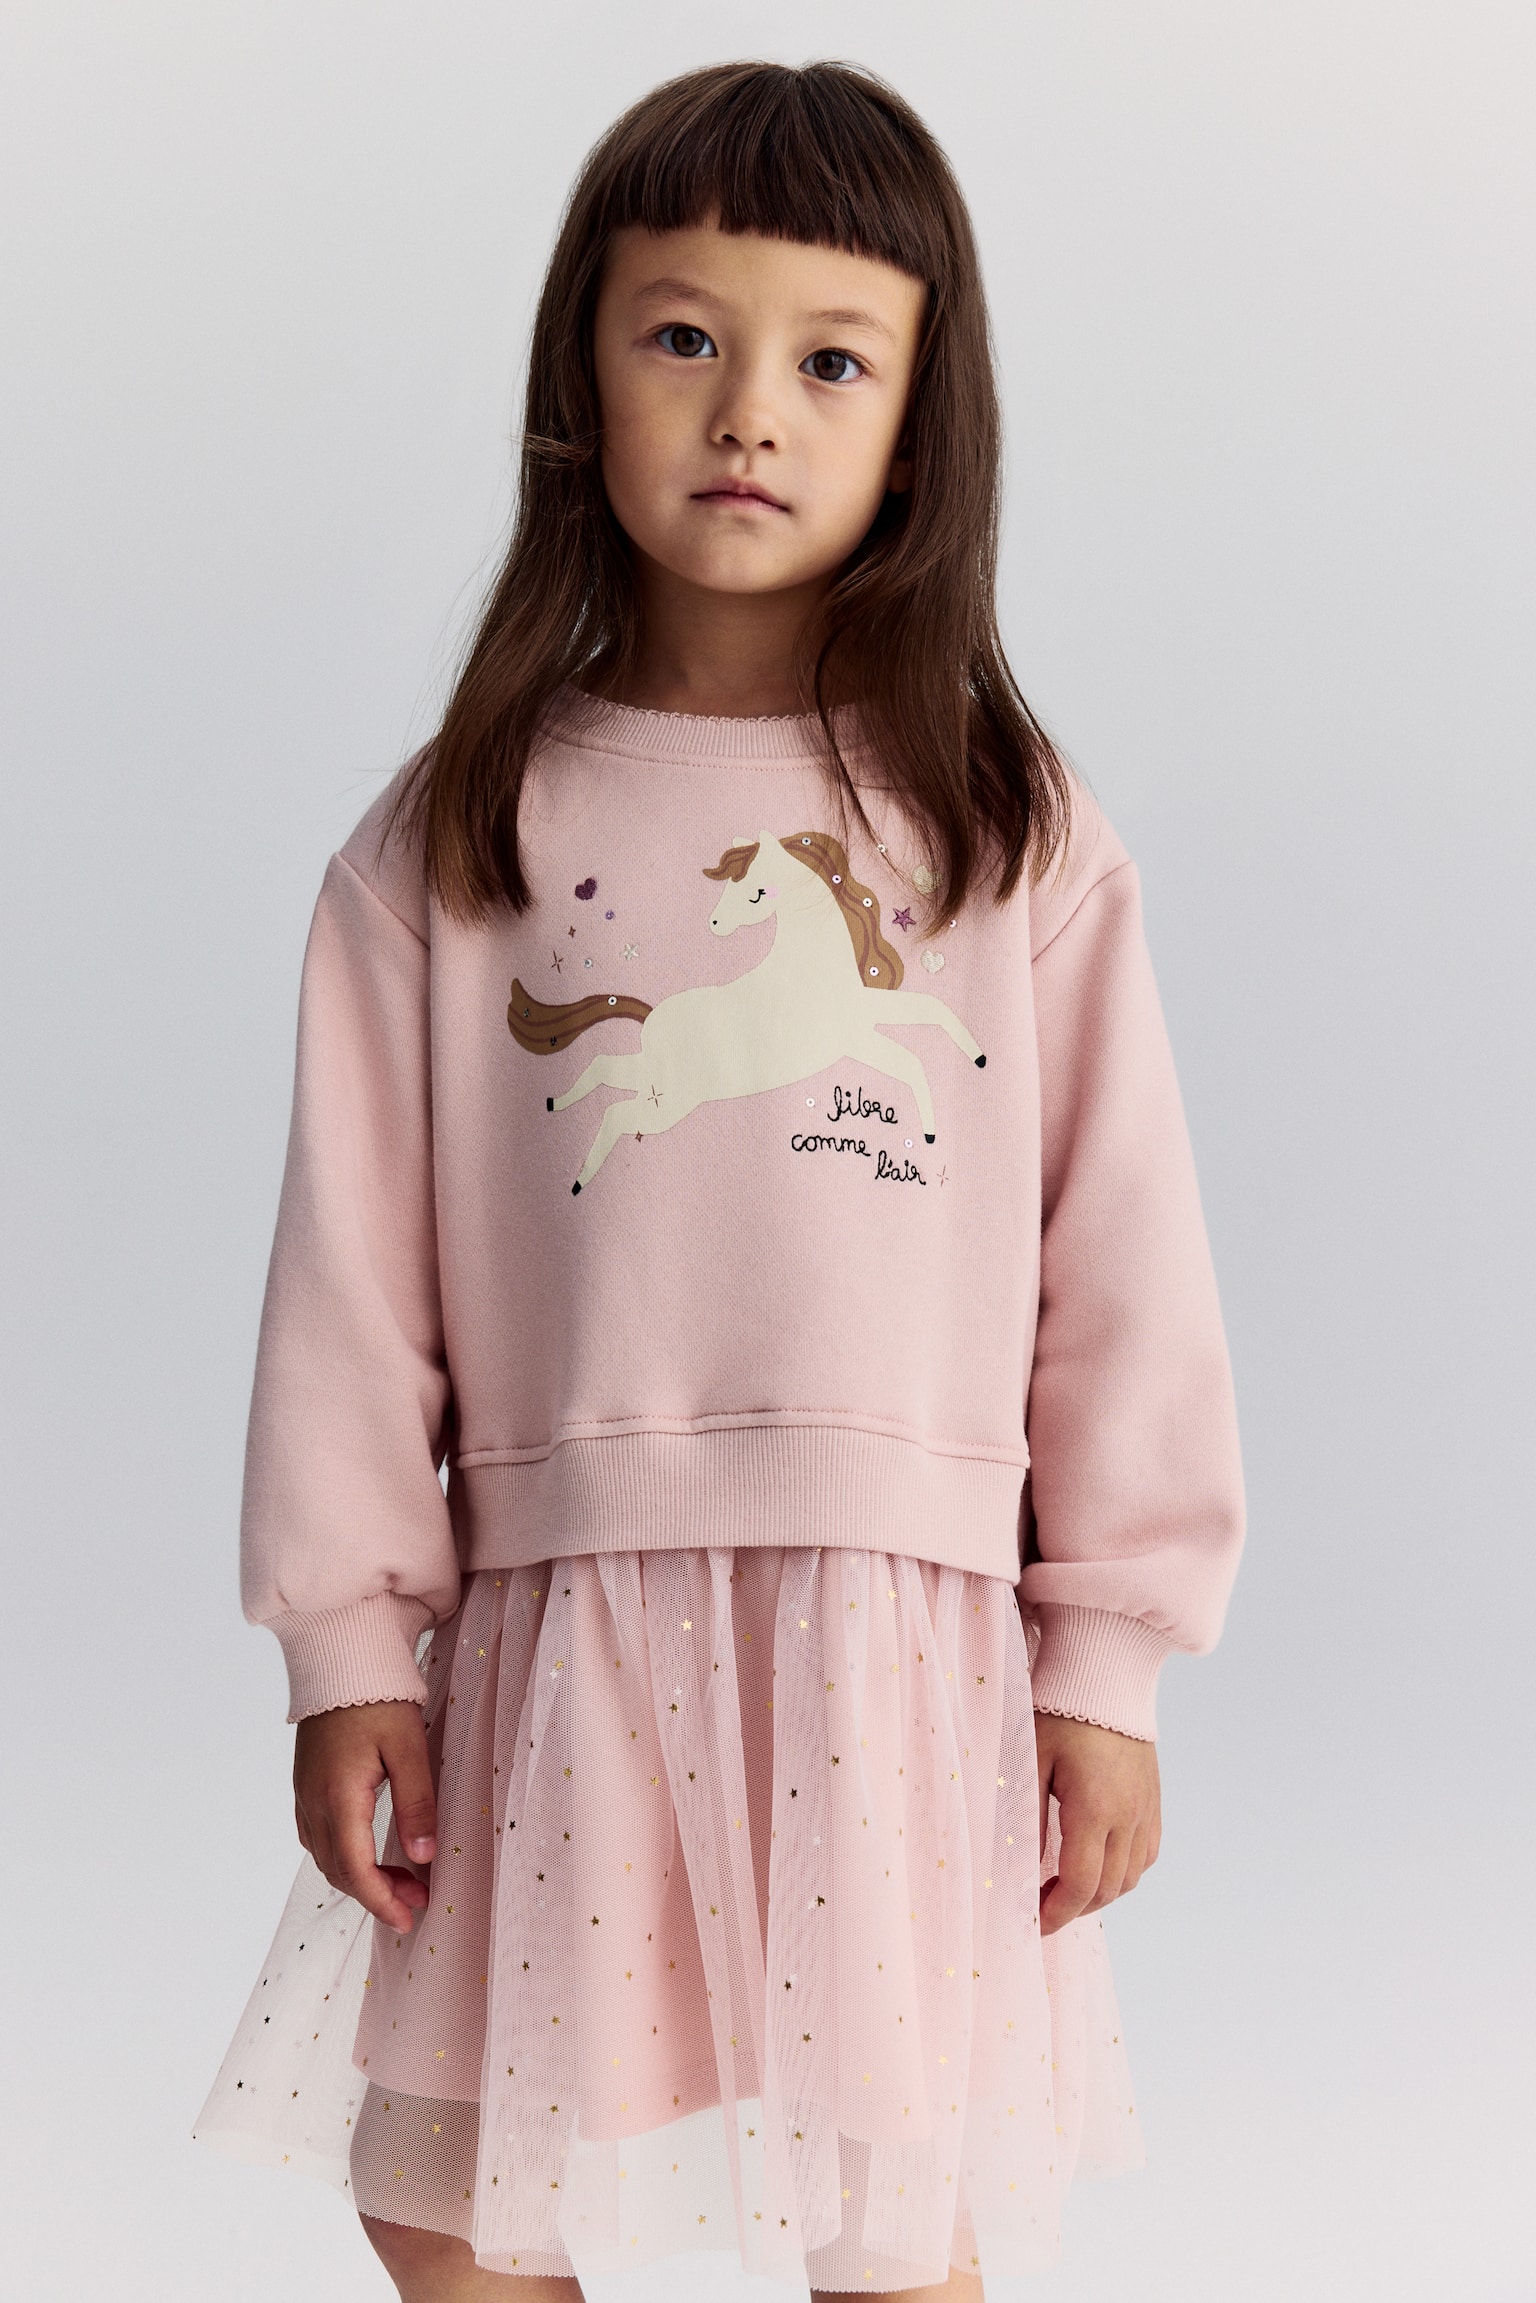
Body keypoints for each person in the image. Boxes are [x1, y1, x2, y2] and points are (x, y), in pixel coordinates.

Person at [195, 59, 1244, 2303]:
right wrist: (347, 1643)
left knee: (888, 2210)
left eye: (830, 360)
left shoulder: (1003, 826)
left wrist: (1108, 1663)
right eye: (683, 335)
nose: (750, 409)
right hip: (560, 1617)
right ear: (581, 376)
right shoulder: (460, 828)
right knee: (443, 2186)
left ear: (918, 425)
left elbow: (1124, 1263)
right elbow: (351, 1281)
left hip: (899, 1633)